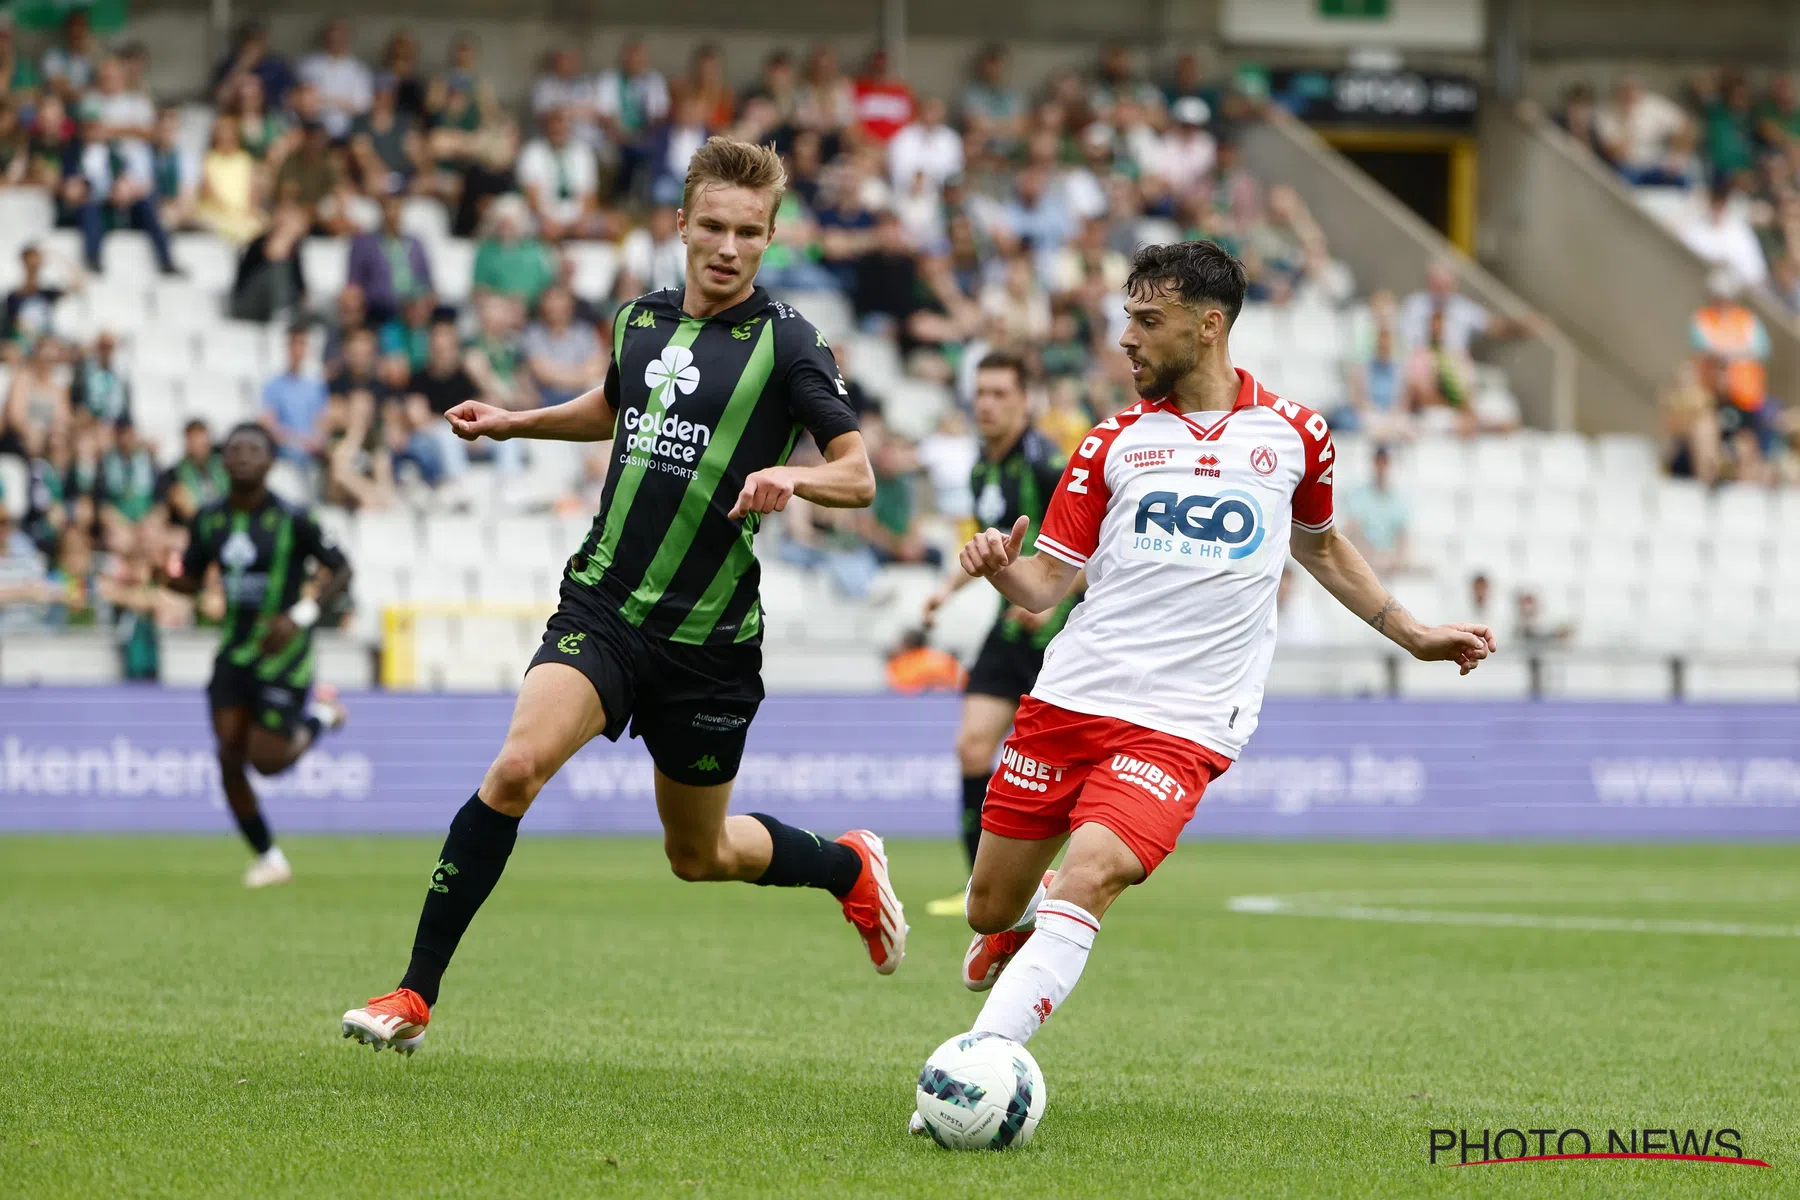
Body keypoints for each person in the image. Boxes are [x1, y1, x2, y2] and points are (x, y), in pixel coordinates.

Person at [340, 137, 901, 1056]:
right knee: (516, 769)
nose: (727, 247)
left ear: (770, 238)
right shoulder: (639, 321)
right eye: (712, 226)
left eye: (748, 232)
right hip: (602, 606)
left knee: (700, 857)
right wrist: (518, 420)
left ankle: (846, 866)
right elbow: (615, 404)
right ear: (680, 225)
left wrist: (791, 481)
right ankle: (414, 993)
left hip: (708, 642)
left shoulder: (790, 342)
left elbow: (859, 474)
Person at [909, 241, 1495, 1113]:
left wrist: (1411, 633)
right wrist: (999, 563)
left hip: (1186, 720)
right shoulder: (1110, 442)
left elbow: (1322, 545)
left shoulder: (1296, 435)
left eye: (1147, 322)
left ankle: (979, 1066)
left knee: (1097, 870)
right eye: (1126, 321)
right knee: (992, 906)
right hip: (1071, 699)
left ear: (1207, 325)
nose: (1127, 342)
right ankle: (1015, 931)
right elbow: (1042, 589)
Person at [160, 424, 353, 887]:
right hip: (233, 653)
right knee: (228, 757)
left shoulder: (295, 518)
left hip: (283, 656)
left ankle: (323, 717)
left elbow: (342, 570)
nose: (243, 456)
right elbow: (189, 578)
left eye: (254, 450)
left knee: (267, 761)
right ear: (223, 461)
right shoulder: (208, 519)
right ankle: (269, 856)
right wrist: (163, 576)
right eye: (235, 450)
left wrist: (300, 615)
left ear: (270, 463)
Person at [921, 352, 1081, 878]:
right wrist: (946, 590)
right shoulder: (981, 468)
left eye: (999, 394)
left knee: (1063, 770)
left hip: (1058, 636)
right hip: (1008, 627)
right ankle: (978, 887)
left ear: (1024, 401)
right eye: (980, 393)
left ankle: (1070, 881)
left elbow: (1092, 548)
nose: (986, 404)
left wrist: (1052, 601)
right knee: (971, 747)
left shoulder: (1046, 464)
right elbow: (985, 546)